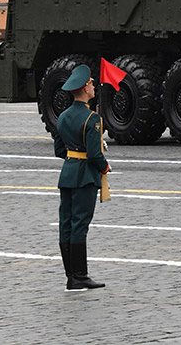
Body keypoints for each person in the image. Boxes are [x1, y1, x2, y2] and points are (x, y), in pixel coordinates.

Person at [52, 65, 109, 291]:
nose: (94, 87)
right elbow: (95, 155)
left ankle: (70, 275)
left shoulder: (63, 116)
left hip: (67, 174)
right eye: (92, 84)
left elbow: (59, 150)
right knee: (80, 225)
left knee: (66, 224)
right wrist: (105, 167)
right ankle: (80, 276)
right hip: (85, 176)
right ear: (85, 88)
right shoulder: (92, 119)